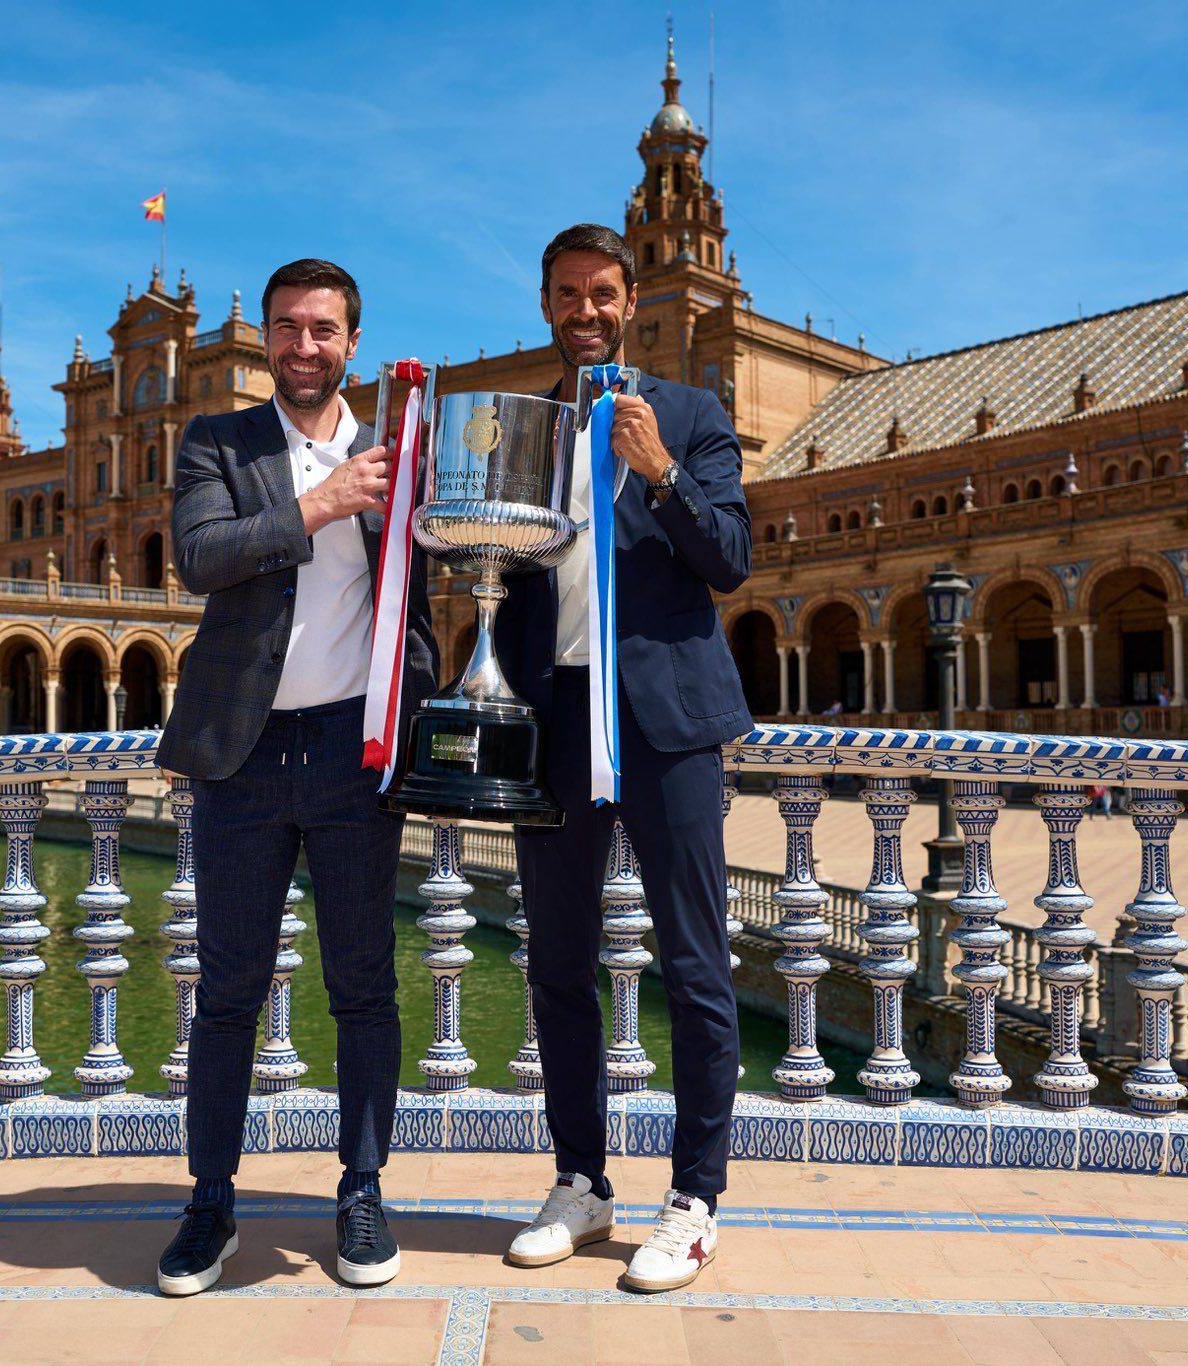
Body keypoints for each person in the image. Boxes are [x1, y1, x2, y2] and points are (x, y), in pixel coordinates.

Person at [153, 258, 437, 1297]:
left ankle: (361, 1190)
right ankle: (210, 1202)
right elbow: (199, 555)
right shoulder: (216, 441)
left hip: (355, 755)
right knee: (227, 991)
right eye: (285, 327)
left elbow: (438, 575)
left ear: (352, 343)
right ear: (264, 339)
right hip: (243, 755)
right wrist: (318, 505)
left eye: (322, 329)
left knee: (362, 985)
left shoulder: (400, 449)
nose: (302, 346)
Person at [494, 223, 752, 1293]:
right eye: (567, 294)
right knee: (557, 963)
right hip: (555, 719)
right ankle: (581, 1181)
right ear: (546, 305)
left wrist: (659, 474)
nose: (586, 311)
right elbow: (501, 571)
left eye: (602, 293)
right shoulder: (525, 429)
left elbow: (728, 560)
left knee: (694, 963)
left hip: (665, 726)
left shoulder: (690, 415)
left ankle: (694, 1198)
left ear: (631, 300)